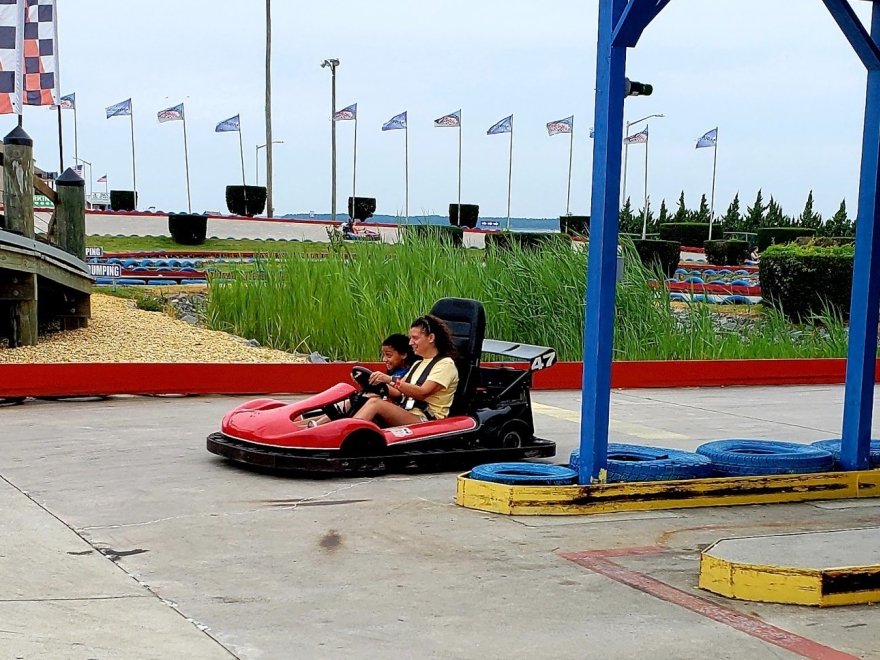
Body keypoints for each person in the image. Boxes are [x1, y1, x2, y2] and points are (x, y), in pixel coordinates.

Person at [355, 315, 459, 426]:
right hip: (407, 411)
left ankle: (347, 433)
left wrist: (390, 379)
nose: (410, 343)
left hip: (426, 419)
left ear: (431, 338)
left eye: (415, 338)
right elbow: (398, 391)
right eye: (410, 338)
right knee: (362, 399)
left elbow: (422, 393)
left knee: (375, 403)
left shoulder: (446, 364)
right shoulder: (417, 364)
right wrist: (371, 382)